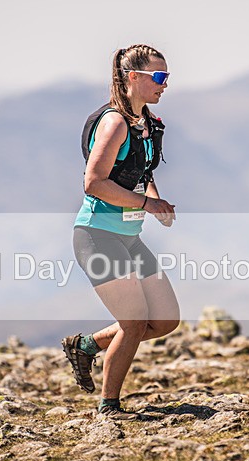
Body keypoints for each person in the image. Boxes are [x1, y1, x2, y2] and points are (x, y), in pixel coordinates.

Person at [62, 44, 180, 420]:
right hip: (97, 235)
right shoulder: (114, 123)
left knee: (164, 320)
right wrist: (147, 205)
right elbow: (93, 183)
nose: (164, 84)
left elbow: (143, 174)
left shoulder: (146, 123)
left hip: (128, 237)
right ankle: (108, 408)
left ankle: (86, 345)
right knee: (132, 323)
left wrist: (156, 201)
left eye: (167, 77)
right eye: (158, 77)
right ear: (133, 78)